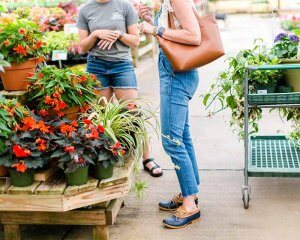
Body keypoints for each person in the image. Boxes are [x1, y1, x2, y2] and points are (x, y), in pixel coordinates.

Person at [76, 0, 163, 177]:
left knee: (133, 112)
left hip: (121, 65)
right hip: (96, 66)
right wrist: (96, 34)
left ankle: (147, 158)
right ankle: (104, 157)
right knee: (100, 115)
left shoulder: (124, 6)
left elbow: (135, 41)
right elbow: (83, 46)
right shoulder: (85, 10)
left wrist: (119, 34)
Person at [138, 0, 201, 228]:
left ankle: (190, 205)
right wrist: (149, 21)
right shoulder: (167, 2)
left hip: (177, 75)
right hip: (175, 71)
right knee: (182, 137)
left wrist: (155, 29)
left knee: (171, 141)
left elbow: (194, 36)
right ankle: (190, 192)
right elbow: (172, 34)